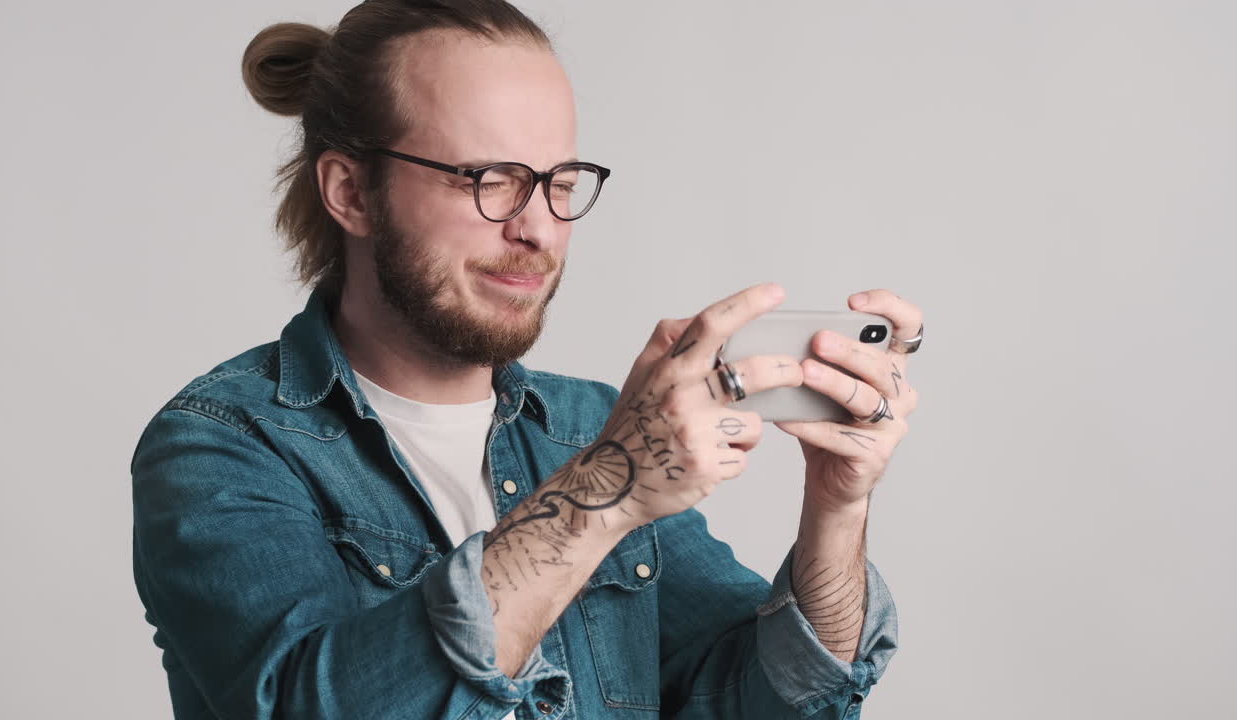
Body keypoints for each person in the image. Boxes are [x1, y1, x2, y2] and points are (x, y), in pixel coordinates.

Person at [130, 1, 923, 717]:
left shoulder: (584, 425)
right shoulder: (222, 443)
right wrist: (604, 491)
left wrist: (837, 509)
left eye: (558, 182)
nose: (539, 229)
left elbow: (761, 703)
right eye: (490, 180)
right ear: (352, 193)